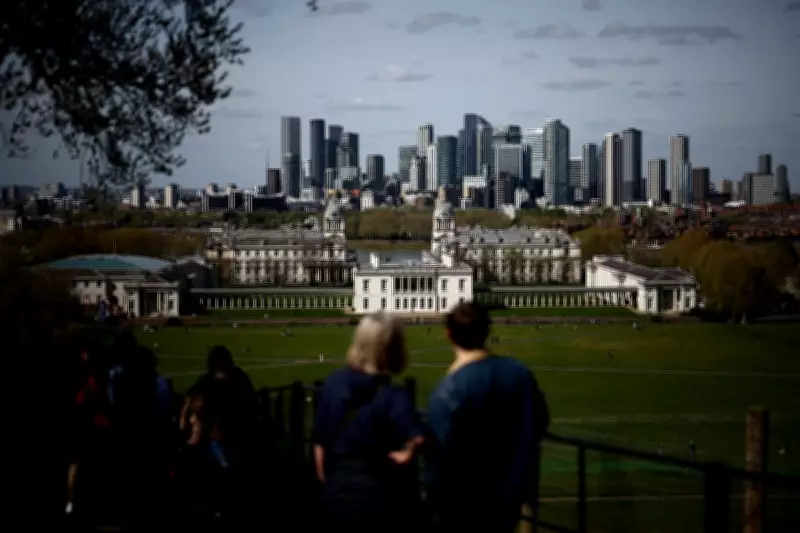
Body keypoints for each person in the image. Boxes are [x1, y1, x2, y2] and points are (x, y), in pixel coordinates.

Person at [425, 302, 550, 533]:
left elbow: (437, 456)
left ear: (449, 335)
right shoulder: (519, 373)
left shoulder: (450, 389)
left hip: (466, 500)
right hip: (512, 495)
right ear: (487, 330)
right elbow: (539, 423)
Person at [312, 314, 426, 532]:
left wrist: (331, 486)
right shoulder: (393, 396)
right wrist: (405, 456)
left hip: (337, 498)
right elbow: (419, 438)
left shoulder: (333, 384)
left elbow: (320, 446)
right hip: (380, 502)